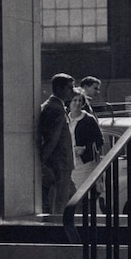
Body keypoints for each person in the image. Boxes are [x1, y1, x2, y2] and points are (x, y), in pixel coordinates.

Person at [39, 73, 76, 214]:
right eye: (69, 88)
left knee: (72, 196)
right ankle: (58, 226)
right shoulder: (56, 109)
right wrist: (42, 162)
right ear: (58, 89)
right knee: (61, 201)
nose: (72, 91)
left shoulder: (52, 106)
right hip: (60, 162)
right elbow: (52, 139)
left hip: (61, 162)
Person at [67, 89, 105, 209]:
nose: (77, 103)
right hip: (70, 162)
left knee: (85, 195)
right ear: (69, 102)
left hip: (85, 164)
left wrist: (85, 148)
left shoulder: (88, 119)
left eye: (80, 100)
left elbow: (99, 140)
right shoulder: (65, 119)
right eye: (74, 100)